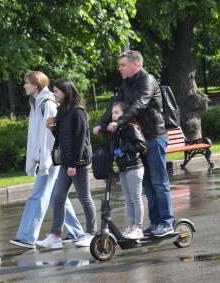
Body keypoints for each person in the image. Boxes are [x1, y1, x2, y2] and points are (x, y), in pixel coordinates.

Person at [93, 50, 174, 237]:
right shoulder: (126, 83)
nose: (119, 68)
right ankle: (155, 223)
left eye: (122, 65)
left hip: (154, 136)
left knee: (159, 182)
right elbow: (115, 104)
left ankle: (166, 222)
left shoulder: (148, 80)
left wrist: (119, 122)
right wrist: (102, 123)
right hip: (138, 138)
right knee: (147, 183)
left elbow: (139, 104)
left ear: (135, 65)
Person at [10, 71, 85, 249]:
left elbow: (51, 137)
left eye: (27, 83)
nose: (24, 86)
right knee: (55, 197)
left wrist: (45, 160)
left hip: (50, 159)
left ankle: (27, 237)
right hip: (47, 159)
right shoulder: (35, 104)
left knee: (37, 196)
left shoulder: (48, 105)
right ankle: (77, 232)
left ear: (36, 85)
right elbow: (35, 136)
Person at [36, 78, 96, 249]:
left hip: (78, 162)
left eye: (56, 91)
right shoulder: (62, 110)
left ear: (65, 92)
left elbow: (80, 140)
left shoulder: (78, 111)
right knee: (58, 197)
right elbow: (63, 139)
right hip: (66, 162)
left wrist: (74, 164)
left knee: (84, 197)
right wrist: (53, 129)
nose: (54, 94)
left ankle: (91, 233)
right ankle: (55, 236)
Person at [111, 102, 146, 239]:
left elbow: (141, 145)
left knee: (136, 199)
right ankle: (130, 227)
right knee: (128, 199)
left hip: (134, 167)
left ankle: (138, 228)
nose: (113, 115)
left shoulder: (131, 128)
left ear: (125, 114)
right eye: (113, 112)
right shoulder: (118, 130)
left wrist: (123, 150)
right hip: (123, 168)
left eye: (117, 112)